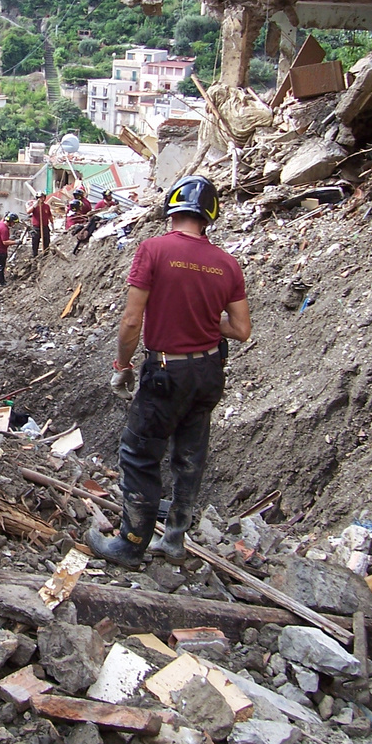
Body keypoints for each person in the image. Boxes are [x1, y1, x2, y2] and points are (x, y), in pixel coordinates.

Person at [87, 175, 251, 569]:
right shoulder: (228, 264)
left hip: (166, 371)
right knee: (190, 454)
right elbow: (242, 330)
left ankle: (130, 544)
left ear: (171, 208)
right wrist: (207, 320)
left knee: (140, 455)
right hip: (210, 369)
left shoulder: (153, 250)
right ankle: (174, 539)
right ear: (209, 215)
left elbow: (131, 321)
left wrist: (123, 365)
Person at [0, 213, 19, 286]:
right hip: (0, 250)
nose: (13, 225)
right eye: (13, 223)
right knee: (1, 266)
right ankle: (2, 282)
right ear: (10, 221)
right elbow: (5, 242)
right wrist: (16, 242)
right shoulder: (4, 229)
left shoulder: (0, 223)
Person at [27, 193, 53, 257]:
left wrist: (52, 223)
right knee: (35, 243)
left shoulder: (46, 206)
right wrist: (34, 206)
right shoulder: (34, 206)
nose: (41, 199)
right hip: (36, 228)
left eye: (42, 197)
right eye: (39, 197)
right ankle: (35, 256)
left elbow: (49, 215)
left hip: (45, 227)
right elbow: (28, 212)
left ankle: (45, 255)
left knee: (46, 242)